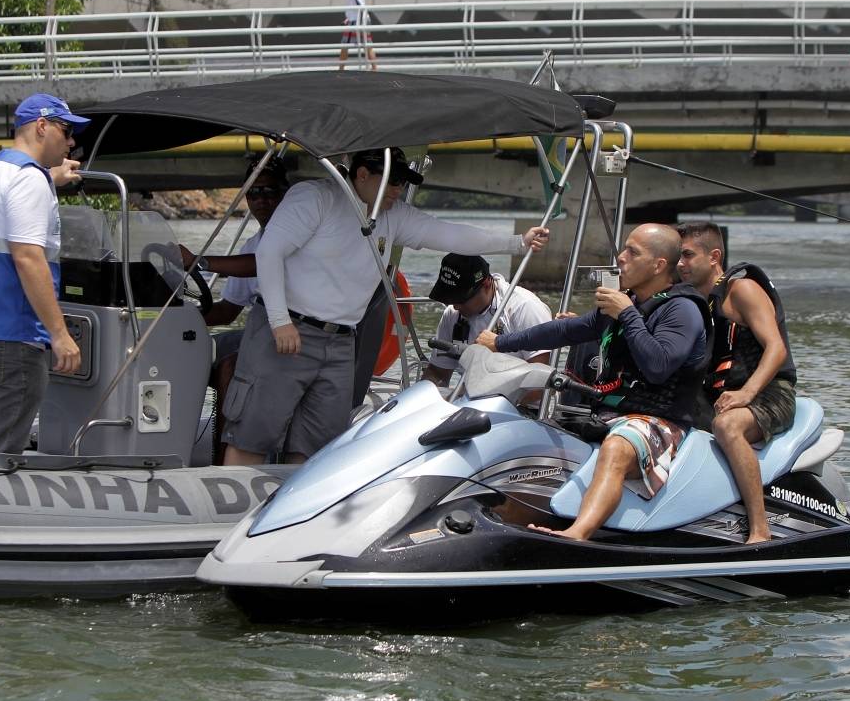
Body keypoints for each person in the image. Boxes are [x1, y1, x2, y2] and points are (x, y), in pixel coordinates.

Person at [222, 147, 550, 466]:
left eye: (403, 183)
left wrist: (516, 243)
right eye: (393, 182)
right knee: (252, 435)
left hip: (340, 342)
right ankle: (226, 513)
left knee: (316, 446)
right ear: (362, 174)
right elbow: (269, 253)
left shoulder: (394, 215)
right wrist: (280, 322)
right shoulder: (314, 197)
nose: (398, 190)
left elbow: (449, 235)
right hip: (288, 331)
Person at [477, 224, 710, 541]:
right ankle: (501, 515)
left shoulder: (681, 310)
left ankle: (577, 535)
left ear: (658, 265)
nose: (621, 258)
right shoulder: (626, 304)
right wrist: (500, 342)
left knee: (617, 446)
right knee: (528, 432)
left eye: (632, 252)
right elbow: (564, 331)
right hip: (608, 413)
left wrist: (627, 315)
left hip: (659, 421)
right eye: (624, 249)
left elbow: (659, 367)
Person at [0, 93, 87, 453]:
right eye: (66, 130)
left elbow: (9, 203)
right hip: (14, 335)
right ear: (42, 126)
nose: (71, 141)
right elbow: (28, 257)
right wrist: (59, 334)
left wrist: (49, 178)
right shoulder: (29, 181)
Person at [677, 221, 797, 544]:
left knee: (727, 427)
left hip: (771, 394)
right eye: (678, 256)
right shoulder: (695, 301)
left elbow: (776, 348)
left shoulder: (741, 291)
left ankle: (760, 530)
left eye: (688, 255)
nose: (680, 264)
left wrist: (746, 393)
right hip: (719, 396)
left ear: (714, 256)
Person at [175, 156, 290, 463]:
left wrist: (200, 260)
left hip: (290, 333)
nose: (261, 200)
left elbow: (261, 265)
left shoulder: (295, 236)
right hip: (258, 329)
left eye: (269, 192)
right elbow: (227, 311)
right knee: (191, 350)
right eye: (254, 193)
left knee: (230, 366)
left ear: (285, 193)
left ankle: (223, 458)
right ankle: (170, 438)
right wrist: (173, 319)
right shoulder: (252, 242)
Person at [421, 253, 553, 388]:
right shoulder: (452, 313)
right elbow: (438, 373)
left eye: (461, 299)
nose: (455, 306)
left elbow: (539, 386)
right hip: (470, 399)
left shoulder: (525, 308)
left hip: (523, 405)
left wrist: (478, 394)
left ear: (486, 284)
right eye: (450, 299)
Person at [338, 0, 378, 71]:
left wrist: (357, 21)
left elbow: (360, 4)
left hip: (356, 21)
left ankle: (340, 69)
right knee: (368, 45)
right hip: (358, 19)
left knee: (344, 45)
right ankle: (374, 69)